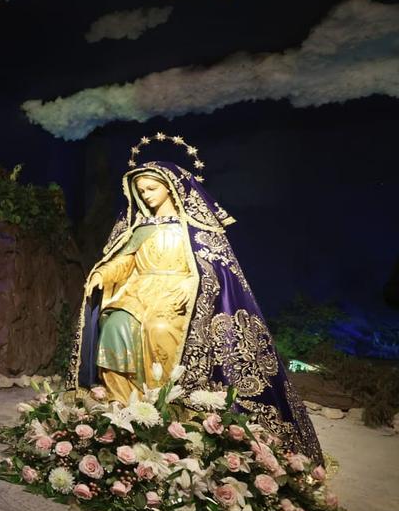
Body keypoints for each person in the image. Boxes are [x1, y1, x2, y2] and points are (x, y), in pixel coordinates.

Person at [71, 158, 322, 460]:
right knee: (113, 326)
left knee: (160, 330)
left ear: (170, 188)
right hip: (137, 294)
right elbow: (125, 262)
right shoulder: (140, 229)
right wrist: (102, 273)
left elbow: (211, 273)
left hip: (178, 296)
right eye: (141, 190)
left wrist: (187, 290)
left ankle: (162, 406)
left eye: (152, 188)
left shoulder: (195, 231)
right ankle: (122, 403)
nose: (147, 195)